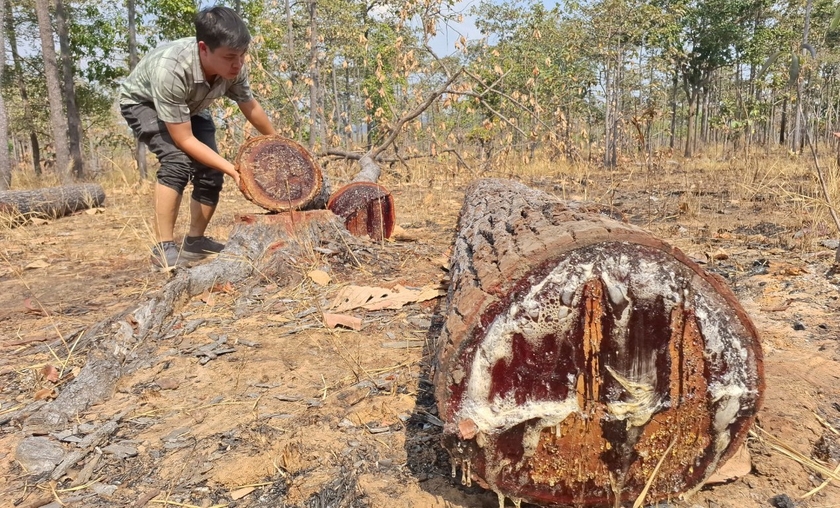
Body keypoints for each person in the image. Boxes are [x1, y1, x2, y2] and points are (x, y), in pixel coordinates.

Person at [119, 6, 276, 268]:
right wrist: (234, 170)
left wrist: (277, 142)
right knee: (177, 161)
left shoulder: (235, 65)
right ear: (204, 48)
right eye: (229, 57)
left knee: (211, 171)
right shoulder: (172, 69)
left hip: (190, 107)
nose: (238, 64)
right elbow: (183, 140)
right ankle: (163, 248)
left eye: (242, 55)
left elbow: (249, 104)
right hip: (144, 103)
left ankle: (195, 241)